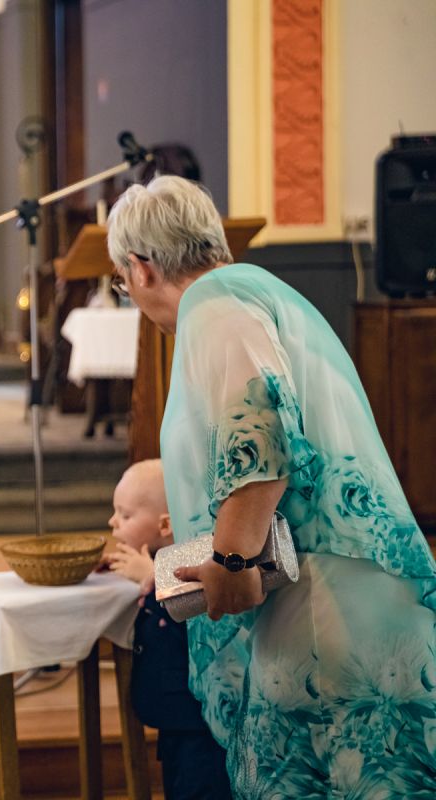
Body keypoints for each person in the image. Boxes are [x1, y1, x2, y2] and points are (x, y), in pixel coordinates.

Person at [107, 175, 436, 796]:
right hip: (338, 588)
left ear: (141, 268)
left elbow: (259, 433)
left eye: (123, 283)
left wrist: (231, 560)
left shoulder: (214, 305)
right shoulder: (254, 292)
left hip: (320, 605)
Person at [103, 459, 231, 800]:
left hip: (200, 723)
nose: (112, 522)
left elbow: (196, 617)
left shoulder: (197, 565)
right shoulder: (167, 557)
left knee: (199, 787)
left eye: (125, 515)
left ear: (165, 524)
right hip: (174, 720)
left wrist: (152, 574)